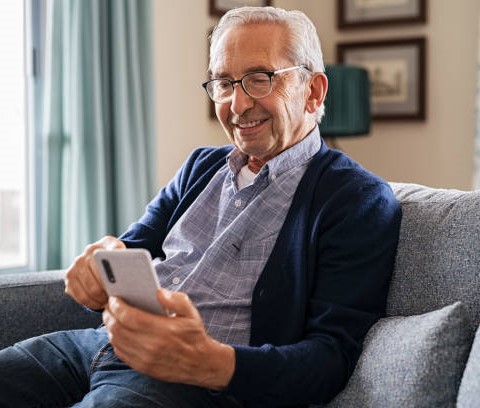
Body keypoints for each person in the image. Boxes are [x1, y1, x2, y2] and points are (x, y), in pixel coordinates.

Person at [0, 6, 401, 408]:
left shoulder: (357, 200)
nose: (237, 104)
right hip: (98, 348)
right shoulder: (200, 166)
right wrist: (99, 265)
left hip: (194, 385)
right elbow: (130, 248)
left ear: (312, 91)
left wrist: (209, 364)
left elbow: (331, 358)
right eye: (224, 83)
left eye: (259, 79)